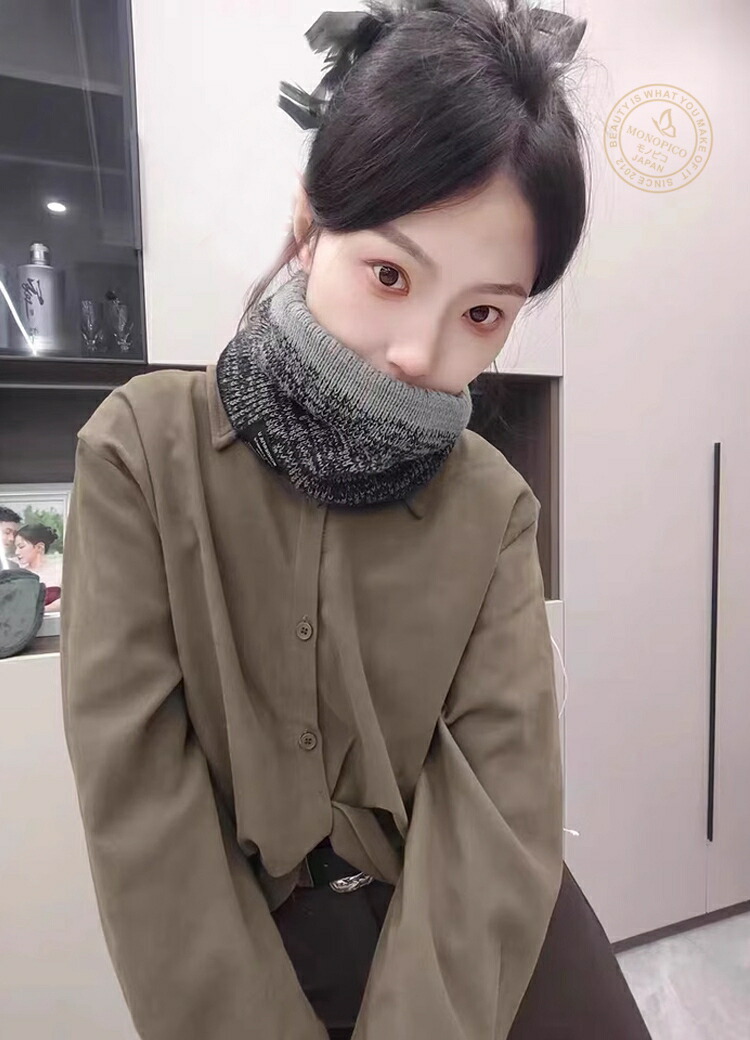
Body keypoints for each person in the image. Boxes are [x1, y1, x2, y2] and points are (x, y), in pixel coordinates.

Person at [61, 2, 651, 1038]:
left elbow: (500, 807)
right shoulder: (141, 451)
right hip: (252, 952)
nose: (421, 351)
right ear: (308, 228)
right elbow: (144, 810)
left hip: (484, 940)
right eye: (390, 274)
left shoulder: (492, 504)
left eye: (482, 313)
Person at [15, 522, 62, 611]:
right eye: (16, 548)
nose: (16, 552)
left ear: (39, 547)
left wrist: (41, 610)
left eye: (21, 547)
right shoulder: (18, 574)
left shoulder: (60, 571)